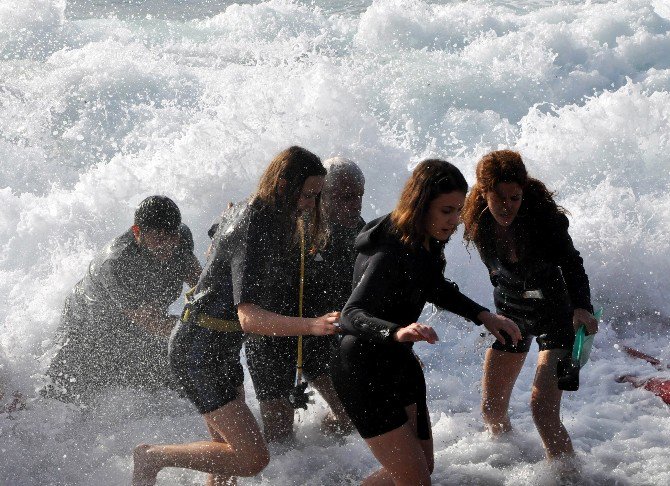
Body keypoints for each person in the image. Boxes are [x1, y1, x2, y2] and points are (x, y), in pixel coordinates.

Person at [132, 146, 340, 486]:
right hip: (198, 351)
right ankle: (153, 456)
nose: (311, 205)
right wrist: (313, 326)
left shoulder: (257, 213)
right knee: (251, 457)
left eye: (317, 196)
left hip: (219, 348)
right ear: (284, 185)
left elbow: (217, 235)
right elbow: (250, 318)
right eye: (307, 195)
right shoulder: (255, 224)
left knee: (224, 456)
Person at [330, 159, 520, 485]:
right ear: (421, 206)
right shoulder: (388, 250)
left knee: (421, 469)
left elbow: (432, 284)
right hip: (362, 368)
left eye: (459, 210)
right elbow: (351, 315)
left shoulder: (425, 241)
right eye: (446, 210)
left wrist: (483, 315)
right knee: (415, 480)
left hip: (398, 362)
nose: (455, 220)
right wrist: (396, 331)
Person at [461, 149, 598, 460]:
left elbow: (573, 265)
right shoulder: (475, 221)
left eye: (515, 198)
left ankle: (568, 477)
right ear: (484, 193)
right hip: (511, 316)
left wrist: (582, 307)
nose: (508, 206)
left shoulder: (546, 221)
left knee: (543, 412)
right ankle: (506, 463)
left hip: (558, 318)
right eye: (500, 198)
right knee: (492, 410)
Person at [243, 157, 364, 442]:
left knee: (350, 418)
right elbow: (237, 227)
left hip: (317, 335)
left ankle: (321, 464)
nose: (355, 204)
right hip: (272, 336)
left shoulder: (359, 232)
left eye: (359, 196)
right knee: (280, 436)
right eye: (346, 197)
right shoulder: (288, 221)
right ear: (319, 194)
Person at [44, 196, 201, 404]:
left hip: (133, 330)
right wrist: (203, 329)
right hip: (85, 333)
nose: (167, 244)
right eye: (157, 237)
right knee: (57, 404)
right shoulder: (116, 262)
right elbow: (154, 323)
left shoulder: (180, 240)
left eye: (171, 235)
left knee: (190, 379)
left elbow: (203, 289)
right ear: (137, 232)